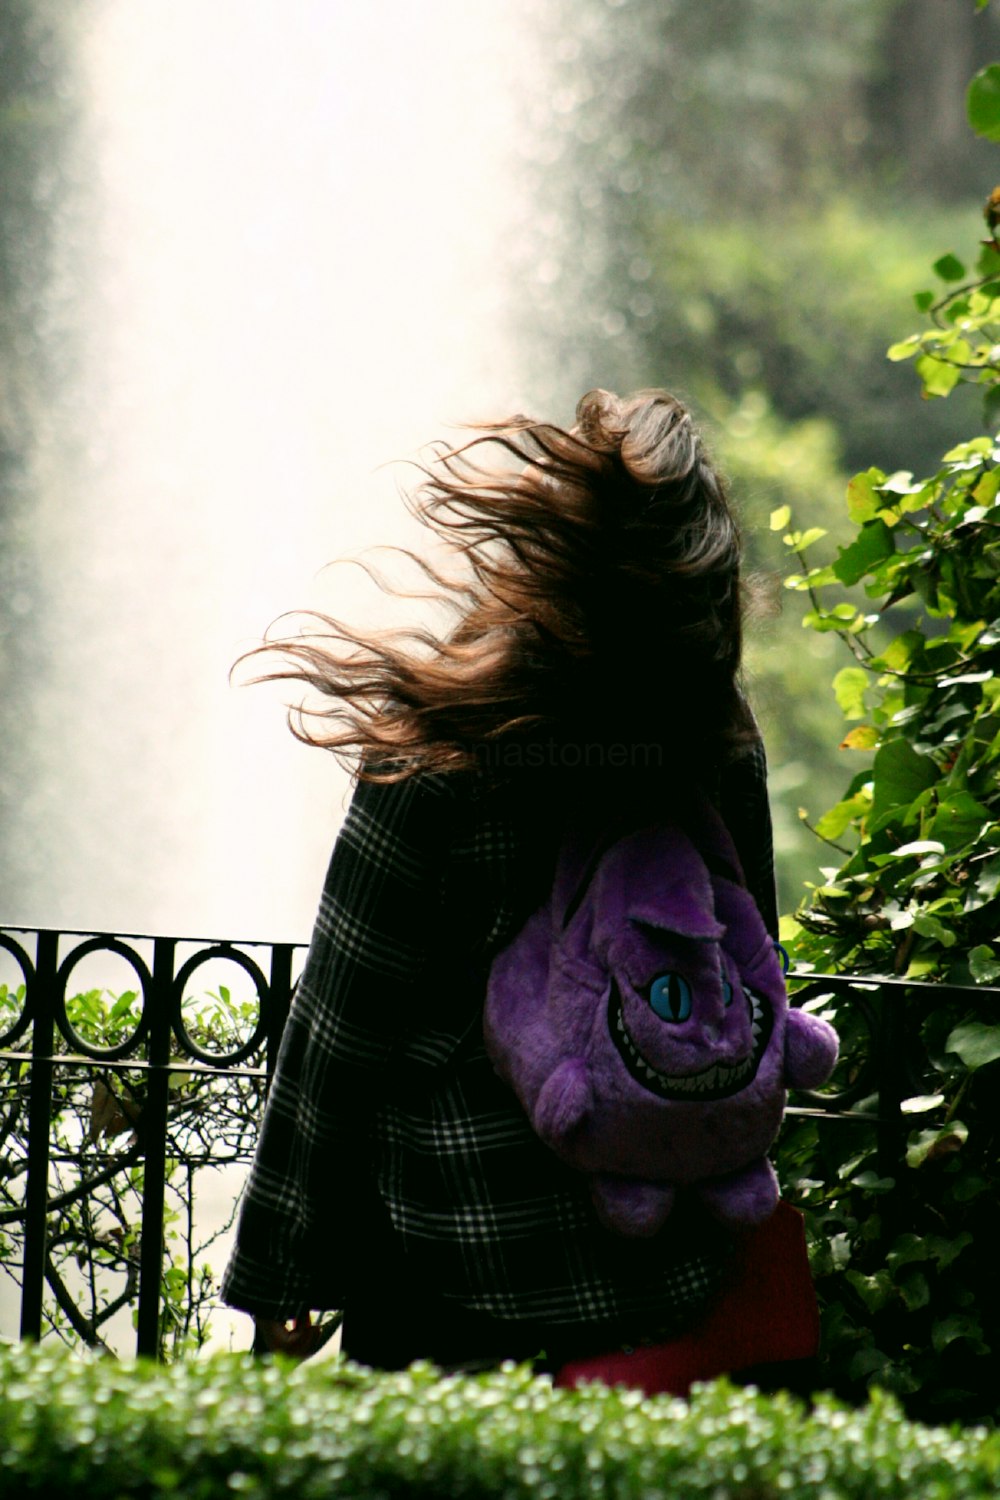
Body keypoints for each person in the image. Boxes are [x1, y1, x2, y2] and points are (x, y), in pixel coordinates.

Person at [220, 388, 779, 1372]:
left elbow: (339, 1037)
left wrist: (281, 1278)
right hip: (661, 1274)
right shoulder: (713, 748)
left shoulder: (439, 757)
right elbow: (753, 993)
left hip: (452, 1275)